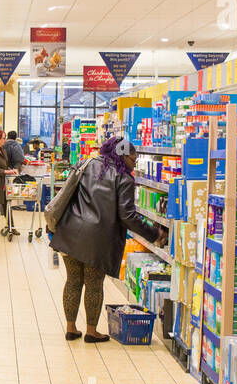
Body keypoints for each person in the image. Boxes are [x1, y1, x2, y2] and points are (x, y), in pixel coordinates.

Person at [50, 136, 167, 343]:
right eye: (133, 159)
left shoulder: (86, 164)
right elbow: (127, 216)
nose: (134, 163)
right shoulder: (124, 178)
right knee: (94, 283)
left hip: (69, 231)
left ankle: (71, 328)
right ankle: (91, 331)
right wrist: (155, 234)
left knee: (73, 280)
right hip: (98, 238)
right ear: (122, 156)